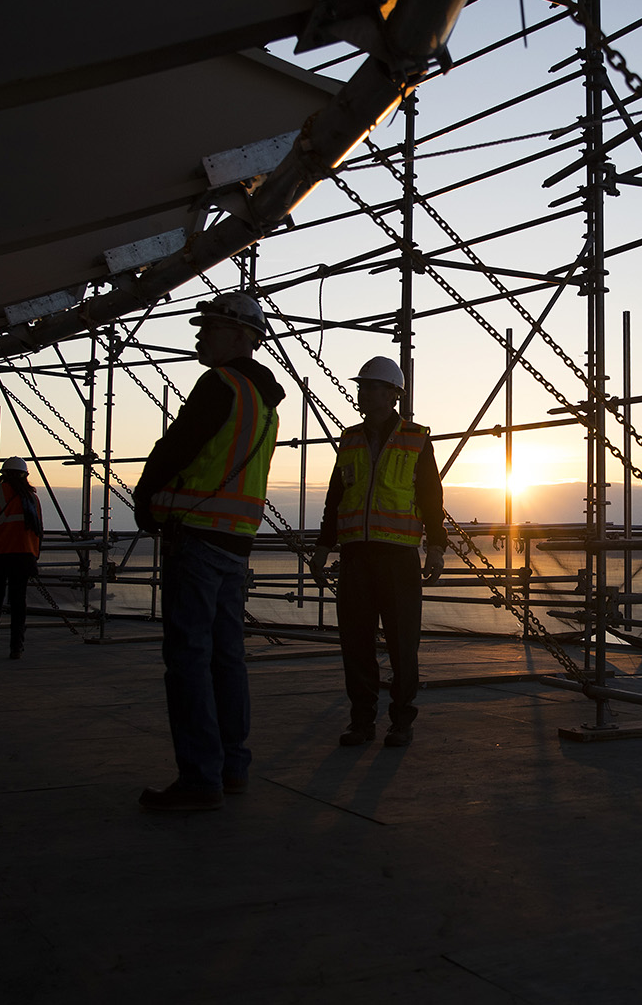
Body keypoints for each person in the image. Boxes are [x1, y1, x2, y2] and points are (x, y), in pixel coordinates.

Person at [131, 293, 284, 812]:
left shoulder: (221, 385)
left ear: (242, 335)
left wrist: (146, 501)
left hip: (196, 536)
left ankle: (200, 778)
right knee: (226, 658)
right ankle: (231, 767)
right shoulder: (265, 402)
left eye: (211, 328)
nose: (200, 337)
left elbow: (177, 448)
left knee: (189, 660)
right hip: (235, 543)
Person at [311, 356, 445, 750]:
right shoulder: (349, 439)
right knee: (355, 643)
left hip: (399, 557)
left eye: (371, 387)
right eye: (362, 386)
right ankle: (361, 721)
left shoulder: (416, 438)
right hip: (356, 557)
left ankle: (401, 722)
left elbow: (431, 498)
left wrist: (435, 547)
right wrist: (323, 547)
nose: (362, 392)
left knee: (403, 644)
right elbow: (337, 498)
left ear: (392, 394)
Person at [0, 455, 43, 659]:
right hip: (23, 555)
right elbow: (39, 530)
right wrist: (34, 555)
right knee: (18, 601)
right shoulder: (32, 498)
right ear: (25, 475)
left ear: (3, 474)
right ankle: (16, 646)